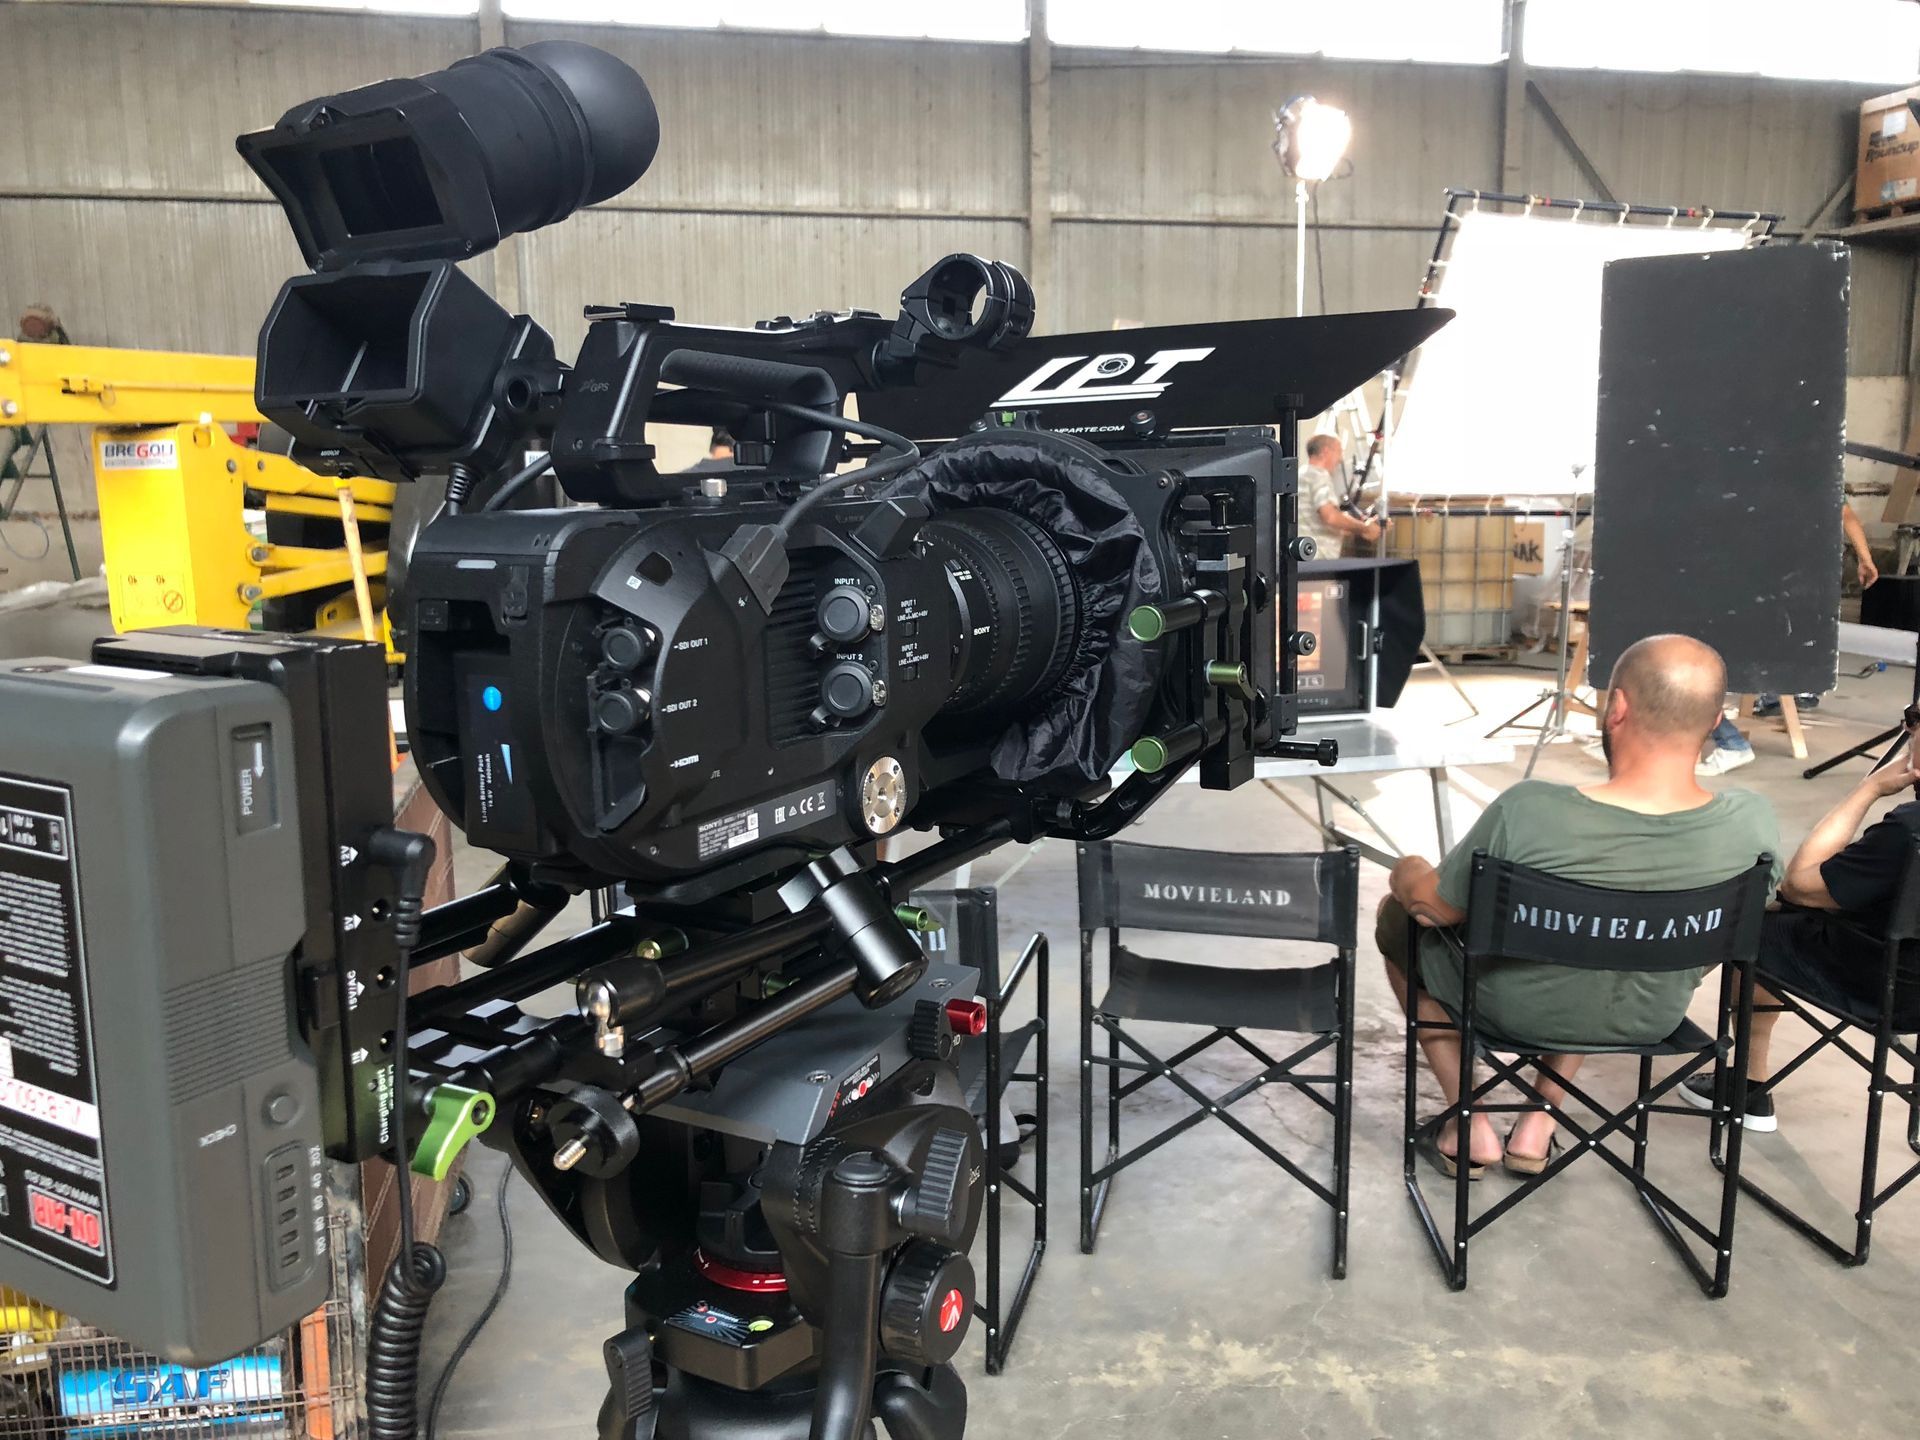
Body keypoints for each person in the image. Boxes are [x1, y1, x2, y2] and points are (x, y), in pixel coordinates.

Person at [1378, 634, 1780, 1177]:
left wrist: (1407, 870)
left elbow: (1435, 910)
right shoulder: (1751, 822)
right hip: (1647, 1014)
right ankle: (1539, 1121)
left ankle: (1468, 1119)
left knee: (1397, 922)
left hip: (1510, 1006)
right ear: (1714, 723)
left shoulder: (1531, 811)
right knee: (1616, 939)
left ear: (1616, 709)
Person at [1681, 714, 1920, 1133]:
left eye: (1915, 722)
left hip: (1887, 986)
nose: (1908, 732)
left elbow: (1801, 884)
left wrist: (1868, 788)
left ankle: (1744, 1084)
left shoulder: (1909, 829)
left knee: (1759, 918)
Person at [1698, 502, 1880, 773]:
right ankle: (1775, 695)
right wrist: (1866, 559)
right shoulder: (1803, 471)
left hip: (1752, 590)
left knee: (1683, 662)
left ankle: (1731, 742)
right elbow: (1845, 512)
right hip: (1784, 596)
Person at [1297, 434, 1385, 559]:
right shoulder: (1319, 476)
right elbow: (1330, 517)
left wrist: (1359, 528)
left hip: (1300, 557)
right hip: (1316, 560)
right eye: (1339, 452)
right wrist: (1365, 528)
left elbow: (1318, 523)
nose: (1340, 459)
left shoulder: (1301, 474)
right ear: (1326, 451)